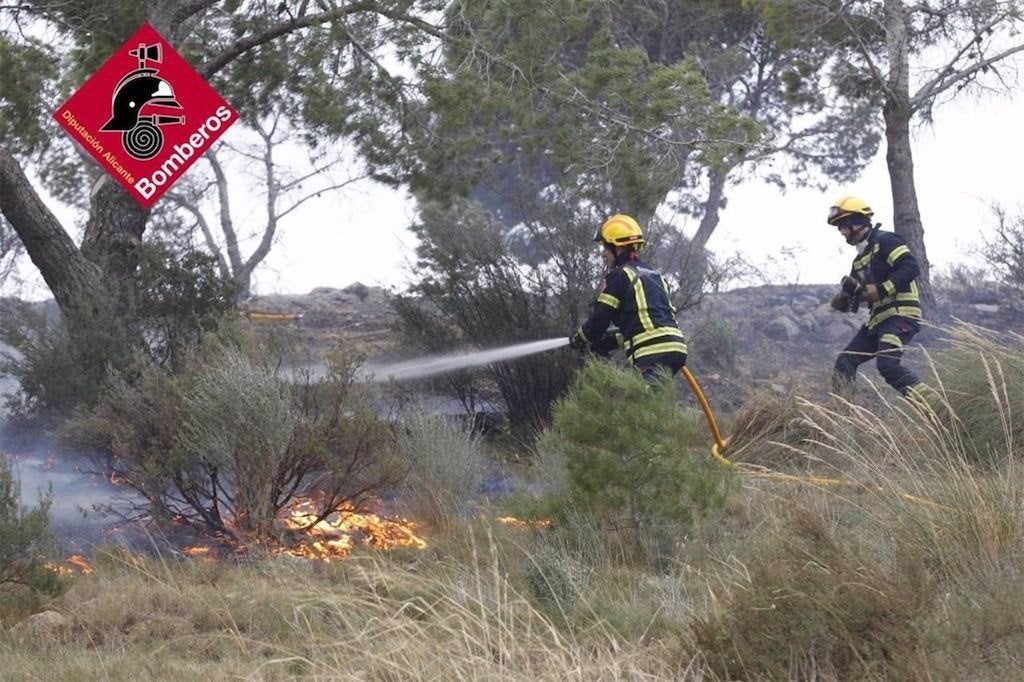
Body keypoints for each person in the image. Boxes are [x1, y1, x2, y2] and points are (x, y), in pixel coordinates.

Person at [826, 195, 927, 399]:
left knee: (887, 364)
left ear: (857, 222)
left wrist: (881, 289)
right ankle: (843, 417)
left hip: (901, 315)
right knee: (845, 362)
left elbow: (911, 267)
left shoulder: (886, 241)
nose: (841, 231)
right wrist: (844, 300)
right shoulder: (859, 260)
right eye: (839, 227)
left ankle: (935, 405)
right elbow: (858, 293)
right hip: (878, 320)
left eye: (843, 225)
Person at [568, 214, 688, 381]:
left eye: (605, 248)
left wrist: (580, 338)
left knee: (639, 404)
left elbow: (600, 318)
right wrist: (613, 341)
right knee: (647, 401)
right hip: (676, 349)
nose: (603, 254)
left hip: (652, 353)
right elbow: (647, 323)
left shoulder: (621, 275)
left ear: (617, 248)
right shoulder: (655, 276)